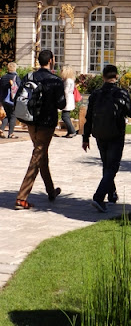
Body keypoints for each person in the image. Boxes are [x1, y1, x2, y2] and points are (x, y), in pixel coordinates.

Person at [15, 50, 66, 210]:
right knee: (37, 156)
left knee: (41, 154)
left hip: (31, 121)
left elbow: (21, 97)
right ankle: (21, 198)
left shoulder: (29, 77)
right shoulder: (55, 80)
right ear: (51, 60)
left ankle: (51, 191)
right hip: (46, 123)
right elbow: (62, 104)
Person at [82, 65, 131, 212]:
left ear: (103, 77)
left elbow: (88, 118)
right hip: (116, 134)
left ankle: (111, 194)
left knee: (107, 164)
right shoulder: (121, 93)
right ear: (116, 77)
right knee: (112, 166)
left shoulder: (96, 94)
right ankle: (99, 197)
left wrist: (85, 137)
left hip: (99, 133)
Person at [0, 62, 21, 138]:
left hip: (4, 99)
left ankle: (1, 129)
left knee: (6, 116)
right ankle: (11, 133)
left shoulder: (3, 77)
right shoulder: (16, 77)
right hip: (12, 100)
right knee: (13, 115)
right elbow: (19, 88)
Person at [60, 65, 77, 138]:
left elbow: (65, 91)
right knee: (66, 116)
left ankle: (72, 131)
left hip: (67, 99)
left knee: (65, 117)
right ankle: (70, 131)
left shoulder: (67, 81)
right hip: (69, 99)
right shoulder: (70, 80)